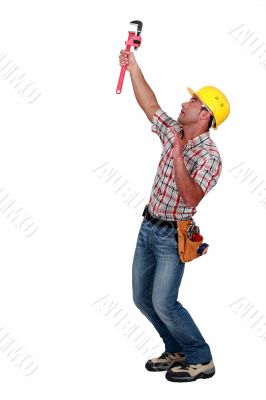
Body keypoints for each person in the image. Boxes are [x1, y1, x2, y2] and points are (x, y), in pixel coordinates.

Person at [118, 49, 230, 383]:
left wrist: (180, 157)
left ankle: (201, 358)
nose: (185, 104)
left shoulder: (210, 157)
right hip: (148, 226)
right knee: (142, 298)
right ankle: (175, 349)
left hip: (172, 235)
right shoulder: (174, 132)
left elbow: (192, 197)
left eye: (193, 101)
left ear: (205, 115)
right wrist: (133, 68)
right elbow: (150, 105)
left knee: (165, 303)